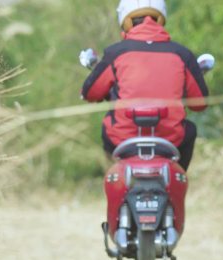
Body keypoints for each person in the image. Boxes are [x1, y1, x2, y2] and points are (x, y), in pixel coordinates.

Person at [80, 0, 209, 171]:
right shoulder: (182, 54)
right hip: (171, 140)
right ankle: (177, 180)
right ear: (161, 18)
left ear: (125, 20)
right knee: (190, 129)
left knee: (107, 126)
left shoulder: (116, 53)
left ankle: (116, 179)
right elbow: (199, 103)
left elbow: (90, 93)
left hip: (123, 140)